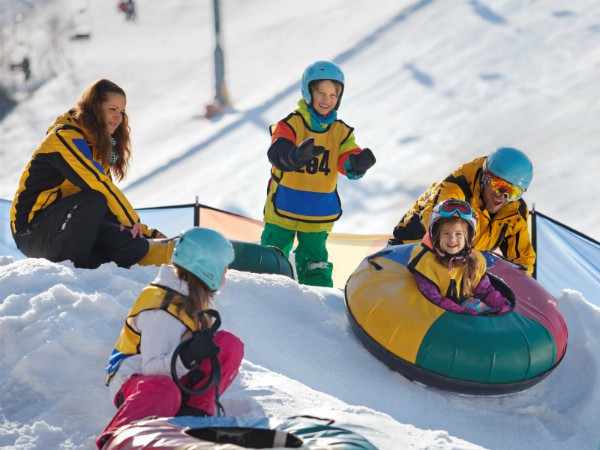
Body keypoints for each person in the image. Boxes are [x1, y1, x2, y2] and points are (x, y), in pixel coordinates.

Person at [97, 227, 244, 449]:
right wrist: (189, 355)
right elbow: (153, 370)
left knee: (228, 345)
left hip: (171, 377)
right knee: (166, 391)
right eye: (224, 269)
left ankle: (194, 416)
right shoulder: (162, 308)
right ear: (209, 268)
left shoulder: (189, 298)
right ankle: (121, 442)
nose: (226, 275)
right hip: (137, 385)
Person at [10, 78, 166, 269]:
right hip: (31, 231)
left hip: (68, 227)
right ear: (95, 107)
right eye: (112, 109)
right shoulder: (64, 137)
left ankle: (95, 268)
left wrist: (147, 234)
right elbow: (99, 185)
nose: (118, 117)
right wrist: (133, 221)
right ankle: (70, 272)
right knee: (93, 199)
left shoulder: (97, 149)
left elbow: (109, 208)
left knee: (133, 246)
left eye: (122, 112)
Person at [261, 60, 376, 287]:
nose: (327, 100)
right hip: (283, 207)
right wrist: (294, 156)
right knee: (270, 258)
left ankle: (317, 305)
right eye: (321, 93)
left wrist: (357, 164)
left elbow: (345, 160)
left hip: (317, 213)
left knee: (315, 264)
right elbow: (277, 152)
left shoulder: (340, 131)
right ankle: (260, 292)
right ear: (308, 92)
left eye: (333, 95)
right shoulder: (292, 124)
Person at [389, 147, 536, 275]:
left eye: (513, 192)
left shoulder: (515, 212)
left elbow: (523, 262)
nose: (502, 196)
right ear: (485, 176)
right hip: (405, 260)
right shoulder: (454, 192)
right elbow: (441, 240)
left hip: (456, 270)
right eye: (498, 185)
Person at [408, 199, 512, 315]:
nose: (452, 240)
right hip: (441, 314)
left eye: (458, 234)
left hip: (465, 304)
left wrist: (502, 305)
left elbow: (485, 291)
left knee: (477, 306)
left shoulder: (474, 260)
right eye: (446, 233)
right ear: (436, 236)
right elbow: (434, 300)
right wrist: (463, 315)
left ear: (468, 237)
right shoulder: (426, 262)